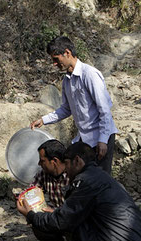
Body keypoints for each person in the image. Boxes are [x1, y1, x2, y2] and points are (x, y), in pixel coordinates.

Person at [30, 36, 118, 174]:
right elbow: (66, 109)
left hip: (101, 135)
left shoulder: (89, 74)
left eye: (56, 59)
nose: (54, 64)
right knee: (85, 179)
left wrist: (103, 140)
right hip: (85, 139)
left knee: (101, 180)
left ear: (67, 53)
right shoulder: (67, 81)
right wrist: (44, 120)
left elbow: (104, 109)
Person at [28, 139, 70, 241]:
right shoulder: (43, 174)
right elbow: (32, 191)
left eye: (42, 161)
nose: (39, 164)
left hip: (70, 217)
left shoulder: (73, 175)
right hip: (54, 218)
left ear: (54, 161)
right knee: (35, 216)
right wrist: (24, 198)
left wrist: (58, 213)